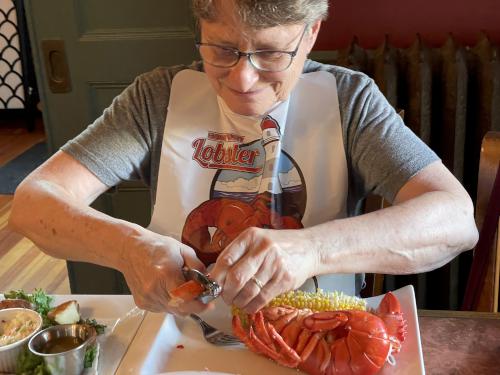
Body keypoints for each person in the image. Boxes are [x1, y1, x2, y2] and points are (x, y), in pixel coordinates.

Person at [9, 0, 478, 315]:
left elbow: (456, 219)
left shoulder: (351, 100)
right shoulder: (155, 98)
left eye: (271, 54)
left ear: (311, 34)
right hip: (177, 336)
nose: (243, 79)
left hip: (317, 332)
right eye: (223, 49)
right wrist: (129, 248)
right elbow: (33, 203)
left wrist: (312, 249)